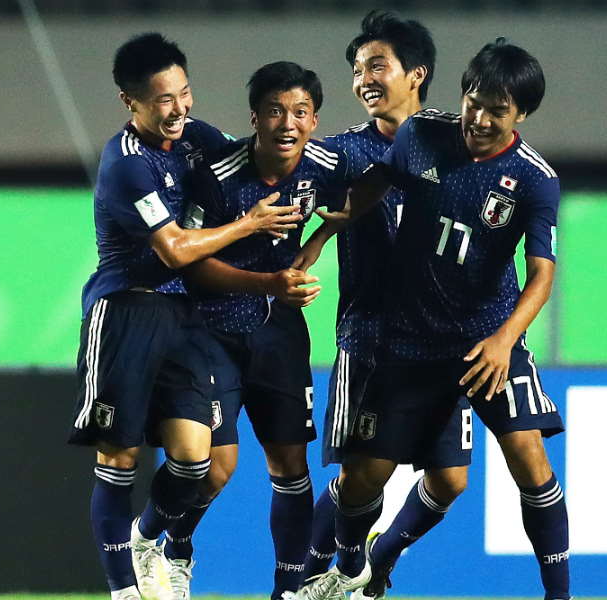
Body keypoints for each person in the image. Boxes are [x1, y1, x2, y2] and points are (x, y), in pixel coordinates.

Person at [303, 38, 571, 600]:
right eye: (474, 101)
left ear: (520, 114)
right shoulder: (422, 136)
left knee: (528, 454)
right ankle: (352, 569)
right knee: (363, 478)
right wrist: (329, 230)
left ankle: (559, 594)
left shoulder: (534, 179)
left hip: (485, 341)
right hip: (410, 343)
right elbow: (378, 182)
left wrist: (504, 341)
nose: (479, 118)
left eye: (496, 111)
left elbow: (542, 275)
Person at [67, 33, 301, 600]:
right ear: (132, 103)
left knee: (200, 461)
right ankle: (125, 591)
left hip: (185, 315)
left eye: (185, 93)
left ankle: (151, 538)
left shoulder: (198, 140)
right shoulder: (126, 165)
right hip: (124, 311)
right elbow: (172, 249)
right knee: (119, 456)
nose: (179, 109)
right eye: (163, 100)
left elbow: (255, 158)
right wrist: (247, 225)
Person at [292, 12, 473, 600]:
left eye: (377, 65)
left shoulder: (455, 142)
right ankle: (313, 579)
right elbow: (285, 189)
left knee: (450, 479)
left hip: (445, 344)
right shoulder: (343, 152)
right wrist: (301, 249)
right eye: (357, 69)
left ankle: (378, 558)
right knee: (363, 477)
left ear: (416, 73)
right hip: (373, 339)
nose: (363, 78)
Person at [160, 61, 350, 600]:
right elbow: (189, 265)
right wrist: (271, 282)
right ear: (254, 118)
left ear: (314, 121)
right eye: (274, 111)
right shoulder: (217, 176)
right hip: (211, 333)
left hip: (280, 337)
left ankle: (288, 589)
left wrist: (315, 244)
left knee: (291, 466)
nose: (287, 123)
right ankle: (174, 544)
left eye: (300, 112)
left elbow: (373, 185)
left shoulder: (328, 164)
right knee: (215, 468)